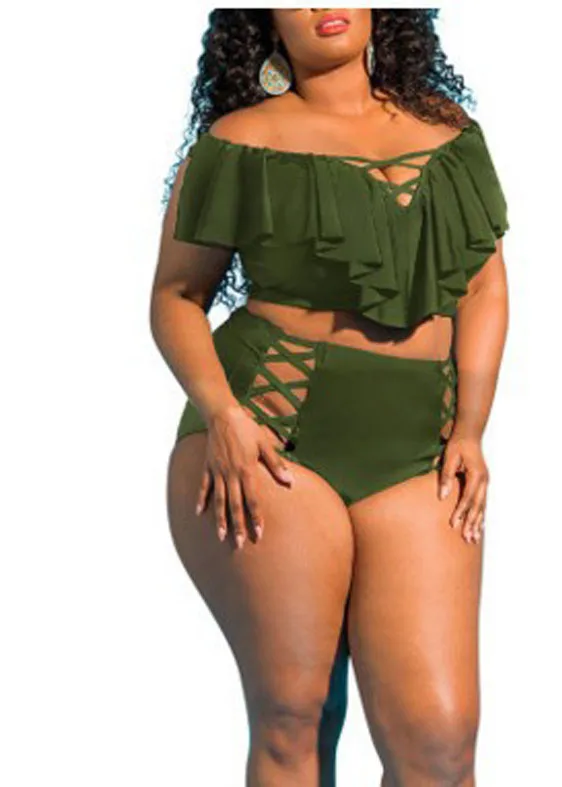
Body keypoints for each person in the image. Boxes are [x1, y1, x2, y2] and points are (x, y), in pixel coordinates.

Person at [150, 8, 510, 786]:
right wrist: (223, 414)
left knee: (441, 746)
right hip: (269, 439)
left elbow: (483, 288)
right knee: (297, 713)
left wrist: (471, 429)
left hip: (420, 450)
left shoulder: (447, 131)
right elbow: (176, 297)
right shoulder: (239, 141)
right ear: (265, 21)